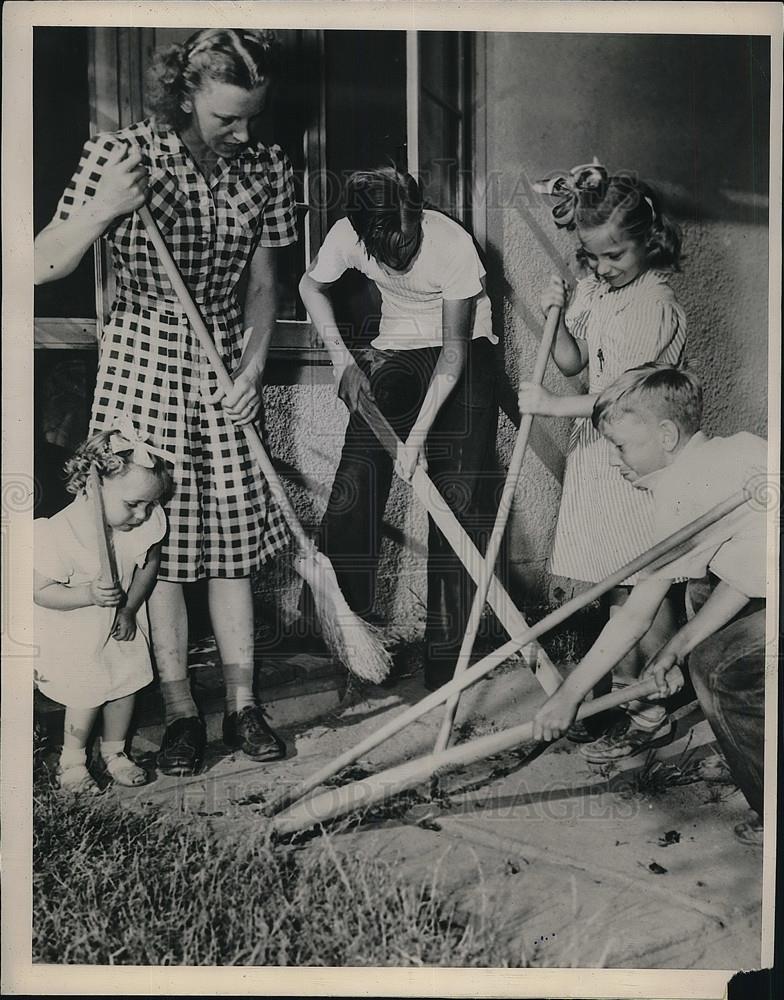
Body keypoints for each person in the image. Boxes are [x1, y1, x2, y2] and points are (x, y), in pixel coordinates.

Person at [34, 29, 298, 775]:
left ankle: (243, 704)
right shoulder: (121, 157)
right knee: (161, 546)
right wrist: (104, 208)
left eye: (254, 116)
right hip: (142, 356)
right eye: (227, 119)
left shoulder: (268, 165)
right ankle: (182, 710)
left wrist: (251, 370)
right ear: (184, 96)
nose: (244, 133)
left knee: (233, 543)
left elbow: (263, 285)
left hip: (222, 365)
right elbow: (40, 260)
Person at [532, 364, 768, 848]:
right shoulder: (732, 450)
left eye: (621, 445)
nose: (616, 459)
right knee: (701, 596)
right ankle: (748, 739)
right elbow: (750, 576)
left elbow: (637, 616)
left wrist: (568, 696)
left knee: (718, 669)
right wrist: (672, 650)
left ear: (665, 435)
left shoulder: (683, 494)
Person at [299, 167, 499, 690]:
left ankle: (446, 659)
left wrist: (416, 439)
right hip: (396, 352)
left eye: (409, 237)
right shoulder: (346, 236)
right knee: (357, 479)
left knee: (454, 499)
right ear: (363, 233)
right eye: (389, 245)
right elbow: (310, 286)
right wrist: (343, 359)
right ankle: (343, 634)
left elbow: (453, 354)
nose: (403, 251)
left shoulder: (453, 245)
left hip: (464, 354)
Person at [519, 161, 687, 758]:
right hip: (601, 454)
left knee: (646, 582)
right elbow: (572, 365)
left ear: (648, 239)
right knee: (618, 582)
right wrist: (556, 315)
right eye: (591, 257)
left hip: (640, 457)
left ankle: (650, 709)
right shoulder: (597, 289)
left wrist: (547, 408)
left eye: (614, 255)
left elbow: (620, 397)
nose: (602, 267)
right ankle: (628, 695)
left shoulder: (653, 304)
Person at [34, 425, 171, 792]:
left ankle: (115, 752)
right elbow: (41, 593)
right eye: (133, 504)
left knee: (126, 685)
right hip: (76, 628)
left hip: (119, 624)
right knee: (86, 692)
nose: (143, 515)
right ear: (93, 486)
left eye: (150, 504)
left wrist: (129, 608)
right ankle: (73, 760)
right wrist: (87, 594)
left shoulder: (141, 525)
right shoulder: (61, 532)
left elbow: (148, 567)